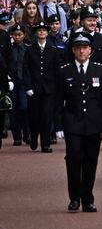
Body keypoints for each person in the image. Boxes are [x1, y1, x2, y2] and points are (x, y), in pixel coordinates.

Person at [54, 34, 102, 212]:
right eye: (78, 48)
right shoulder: (64, 71)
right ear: (73, 50)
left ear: (90, 50)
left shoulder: (100, 70)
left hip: (94, 122)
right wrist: (58, 125)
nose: (82, 51)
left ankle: (87, 199)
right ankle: (74, 198)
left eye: (85, 47)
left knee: (91, 161)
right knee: (74, 159)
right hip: (72, 122)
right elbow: (58, 100)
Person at [23, 21, 61, 152]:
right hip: (34, 89)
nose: (42, 32)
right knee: (34, 116)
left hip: (49, 89)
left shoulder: (53, 50)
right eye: (39, 30)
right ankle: (33, 136)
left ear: (47, 32)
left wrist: (57, 88)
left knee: (47, 116)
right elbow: (26, 69)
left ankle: (45, 143)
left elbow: (57, 71)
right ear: (36, 32)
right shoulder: (30, 49)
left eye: (44, 30)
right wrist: (28, 87)